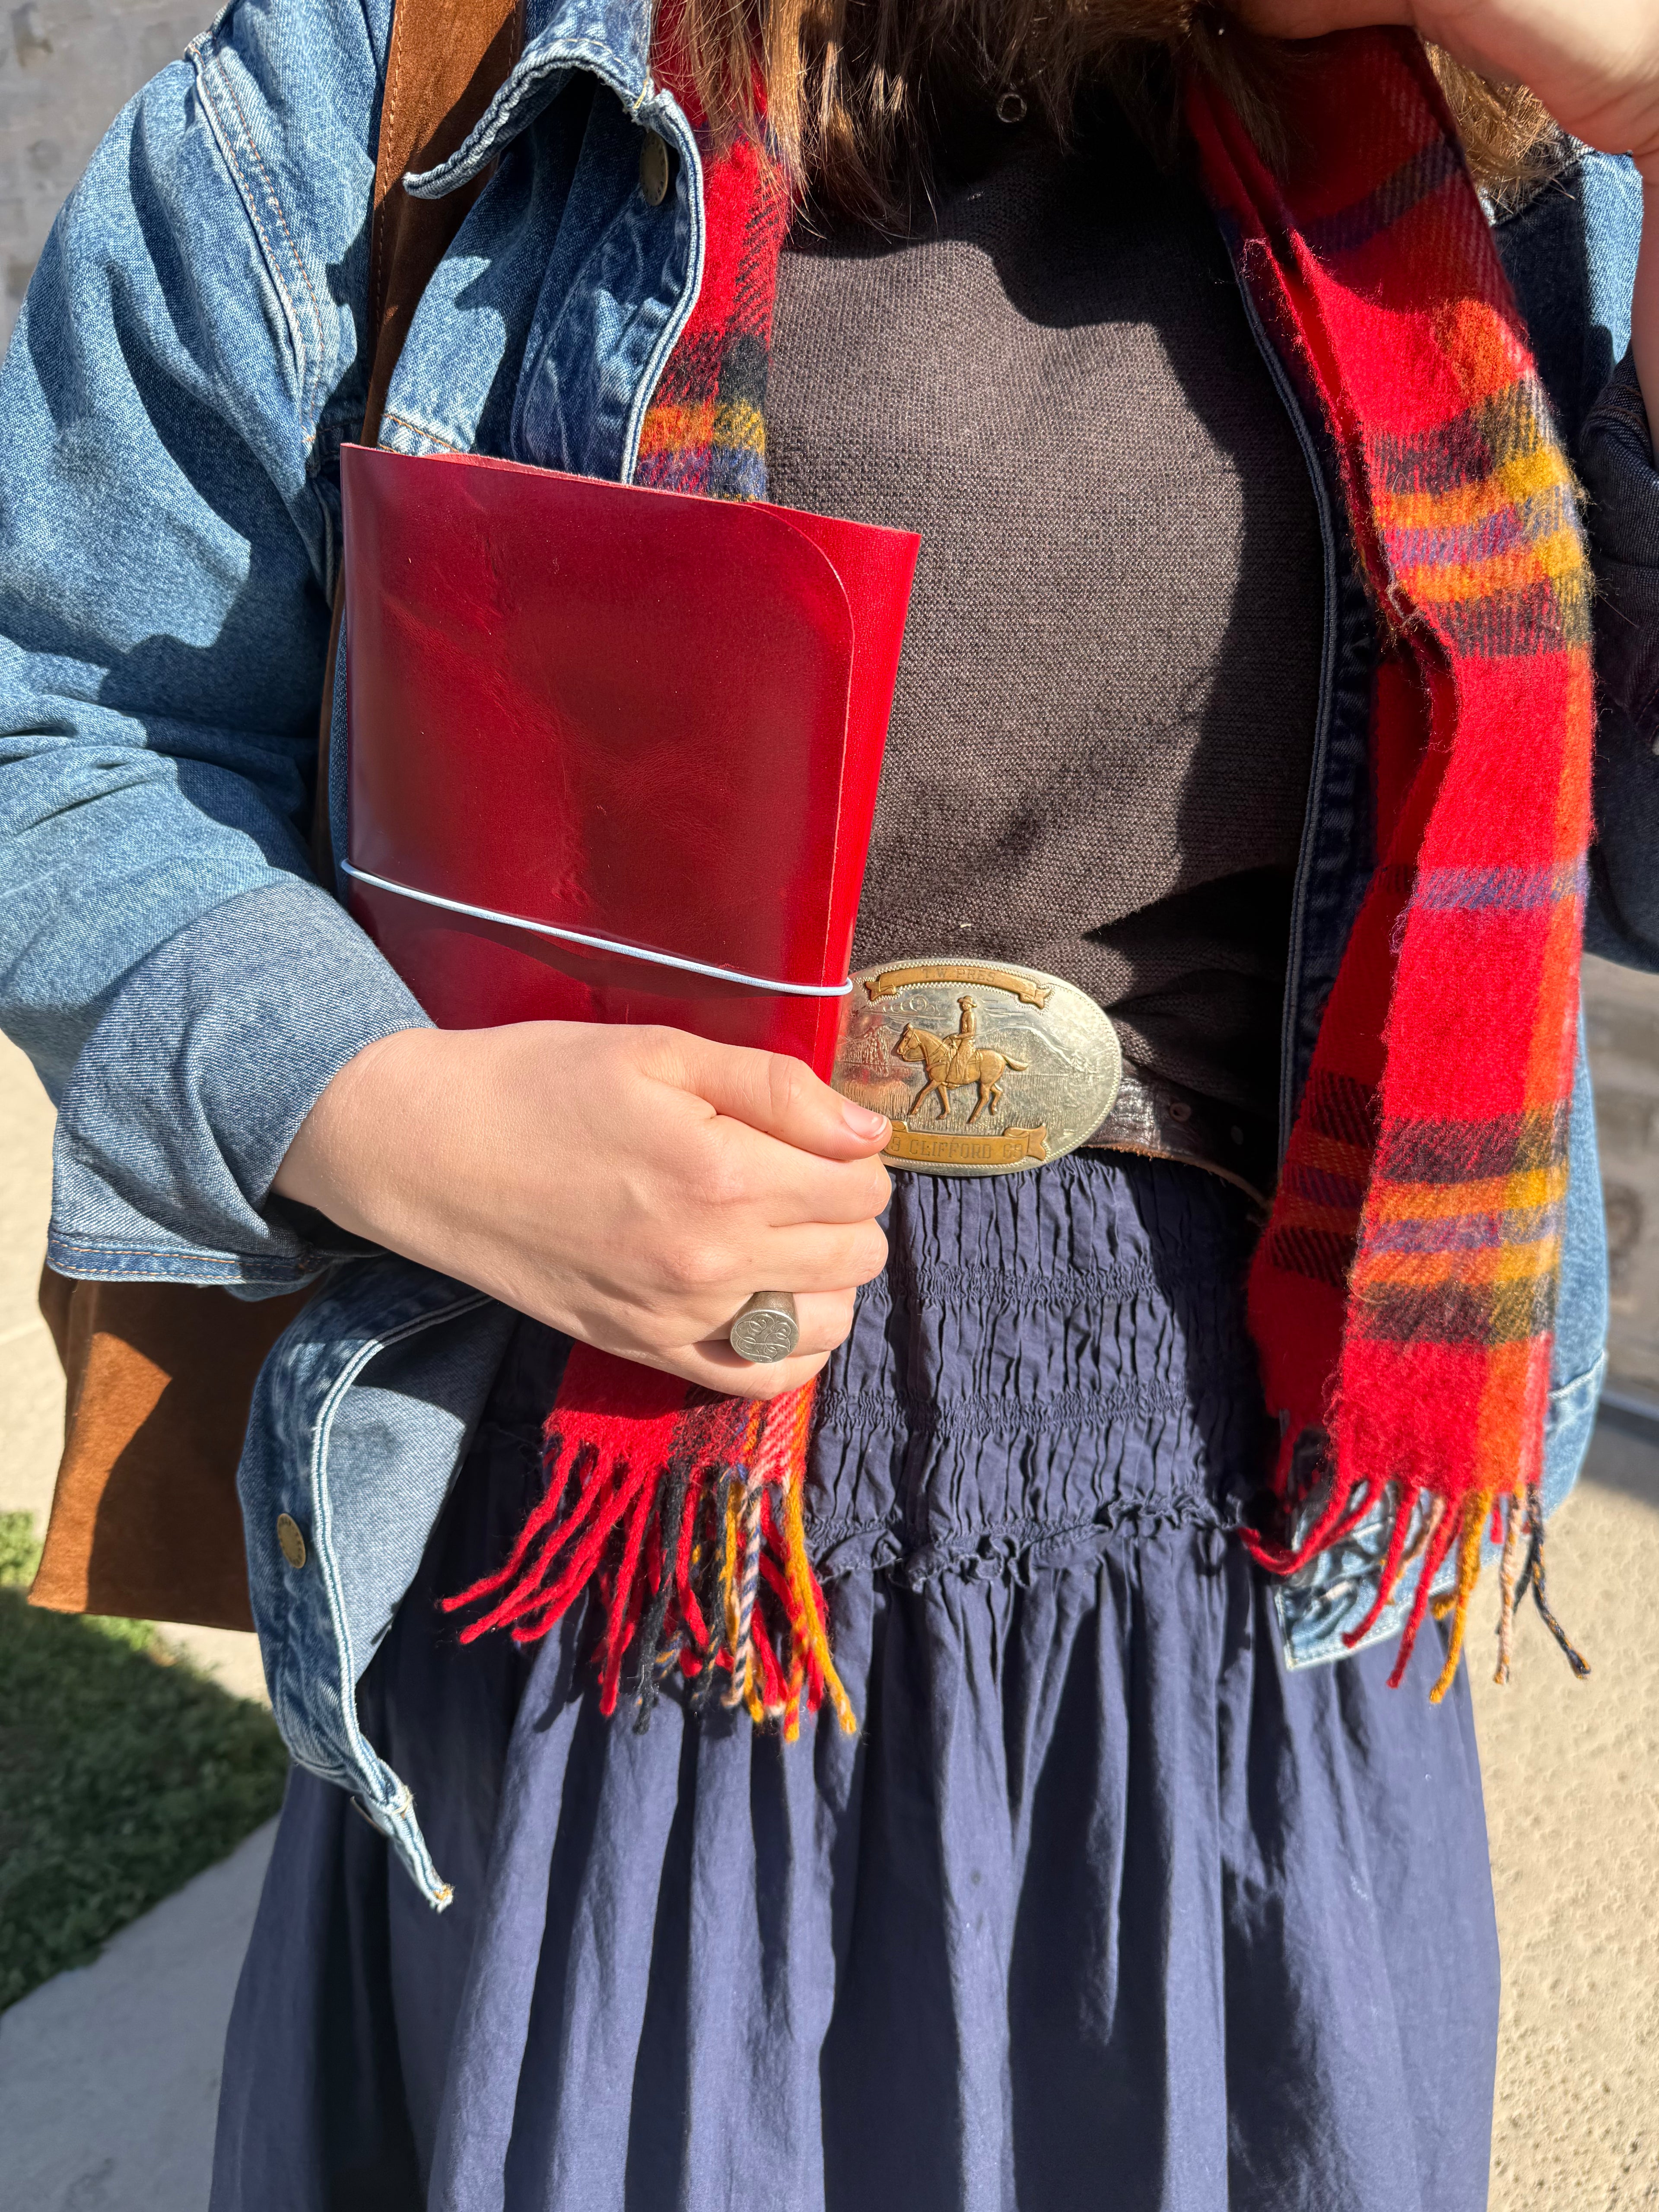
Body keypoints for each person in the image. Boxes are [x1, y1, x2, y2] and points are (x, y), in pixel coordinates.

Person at [1, 0, 1656, 2204]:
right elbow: (69, 719)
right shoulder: (409, 62)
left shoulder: (1503, 121)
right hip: (610, 1538)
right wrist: (389, 1110)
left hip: (1247, 1577)